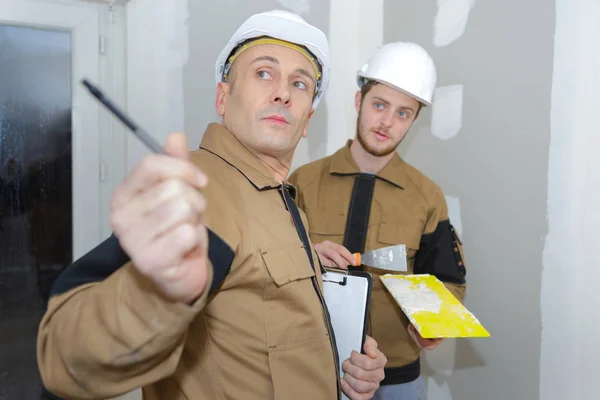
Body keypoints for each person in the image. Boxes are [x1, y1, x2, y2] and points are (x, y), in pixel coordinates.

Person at [36, 10, 387, 400]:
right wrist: (158, 294)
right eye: (264, 73)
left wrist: (344, 367)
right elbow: (63, 355)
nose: (283, 93)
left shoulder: (283, 201)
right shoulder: (203, 194)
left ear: (307, 121)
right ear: (223, 96)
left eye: (300, 83)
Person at [288, 42, 467, 400]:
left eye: (403, 113)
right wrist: (306, 254)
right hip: (314, 372)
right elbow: (271, 272)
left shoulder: (427, 197)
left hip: (398, 382)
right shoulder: (302, 183)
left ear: (414, 121)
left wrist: (432, 326)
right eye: (380, 105)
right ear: (359, 102)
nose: (386, 121)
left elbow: (448, 281)